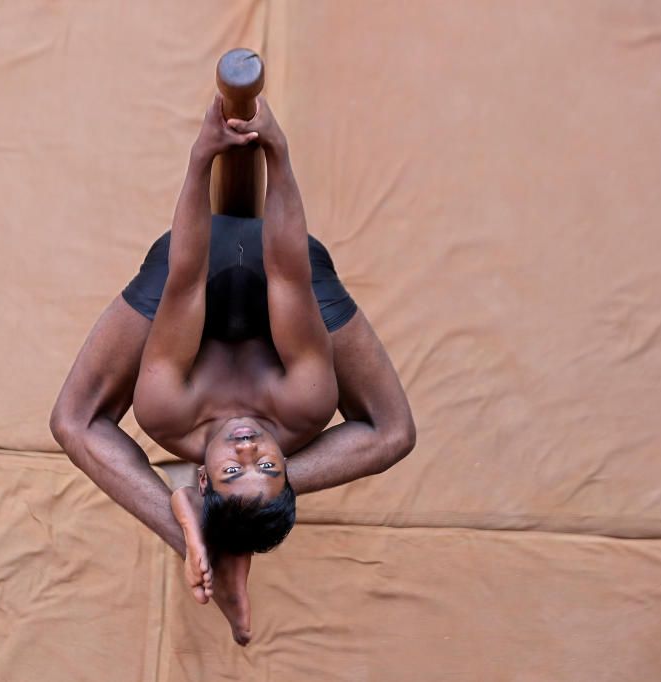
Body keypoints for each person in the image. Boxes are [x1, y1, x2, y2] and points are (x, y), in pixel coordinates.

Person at [50, 95, 415, 646]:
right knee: (393, 431)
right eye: (270, 469)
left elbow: (187, 276)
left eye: (231, 472)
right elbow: (289, 272)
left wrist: (202, 158)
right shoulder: (306, 404)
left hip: (190, 271)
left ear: (203, 474)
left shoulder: (165, 411)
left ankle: (210, 528)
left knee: (72, 417)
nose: (250, 453)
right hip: (293, 282)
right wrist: (278, 153)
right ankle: (215, 533)